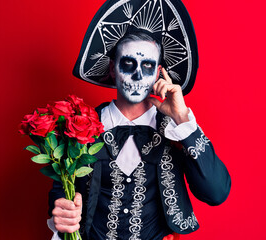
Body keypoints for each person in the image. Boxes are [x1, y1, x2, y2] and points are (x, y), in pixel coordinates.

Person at [48, 1, 231, 239]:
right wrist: (60, 214)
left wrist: (182, 119)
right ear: (113, 68)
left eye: (147, 66)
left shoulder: (177, 129)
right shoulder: (81, 128)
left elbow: (216, 193)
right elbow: (61, 195)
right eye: (128, 63)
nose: (137, 75)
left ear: (158, 73)